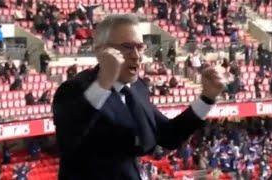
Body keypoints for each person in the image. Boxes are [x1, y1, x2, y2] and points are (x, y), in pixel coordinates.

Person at [53, 14, 224, 180]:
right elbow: (70, 135)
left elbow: (168, 136)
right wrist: (103, 83)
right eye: (127, 47)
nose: (136, 55)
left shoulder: (137, 87)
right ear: (101, 51)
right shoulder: (74, 89)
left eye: (140, 47)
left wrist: (207, 98)